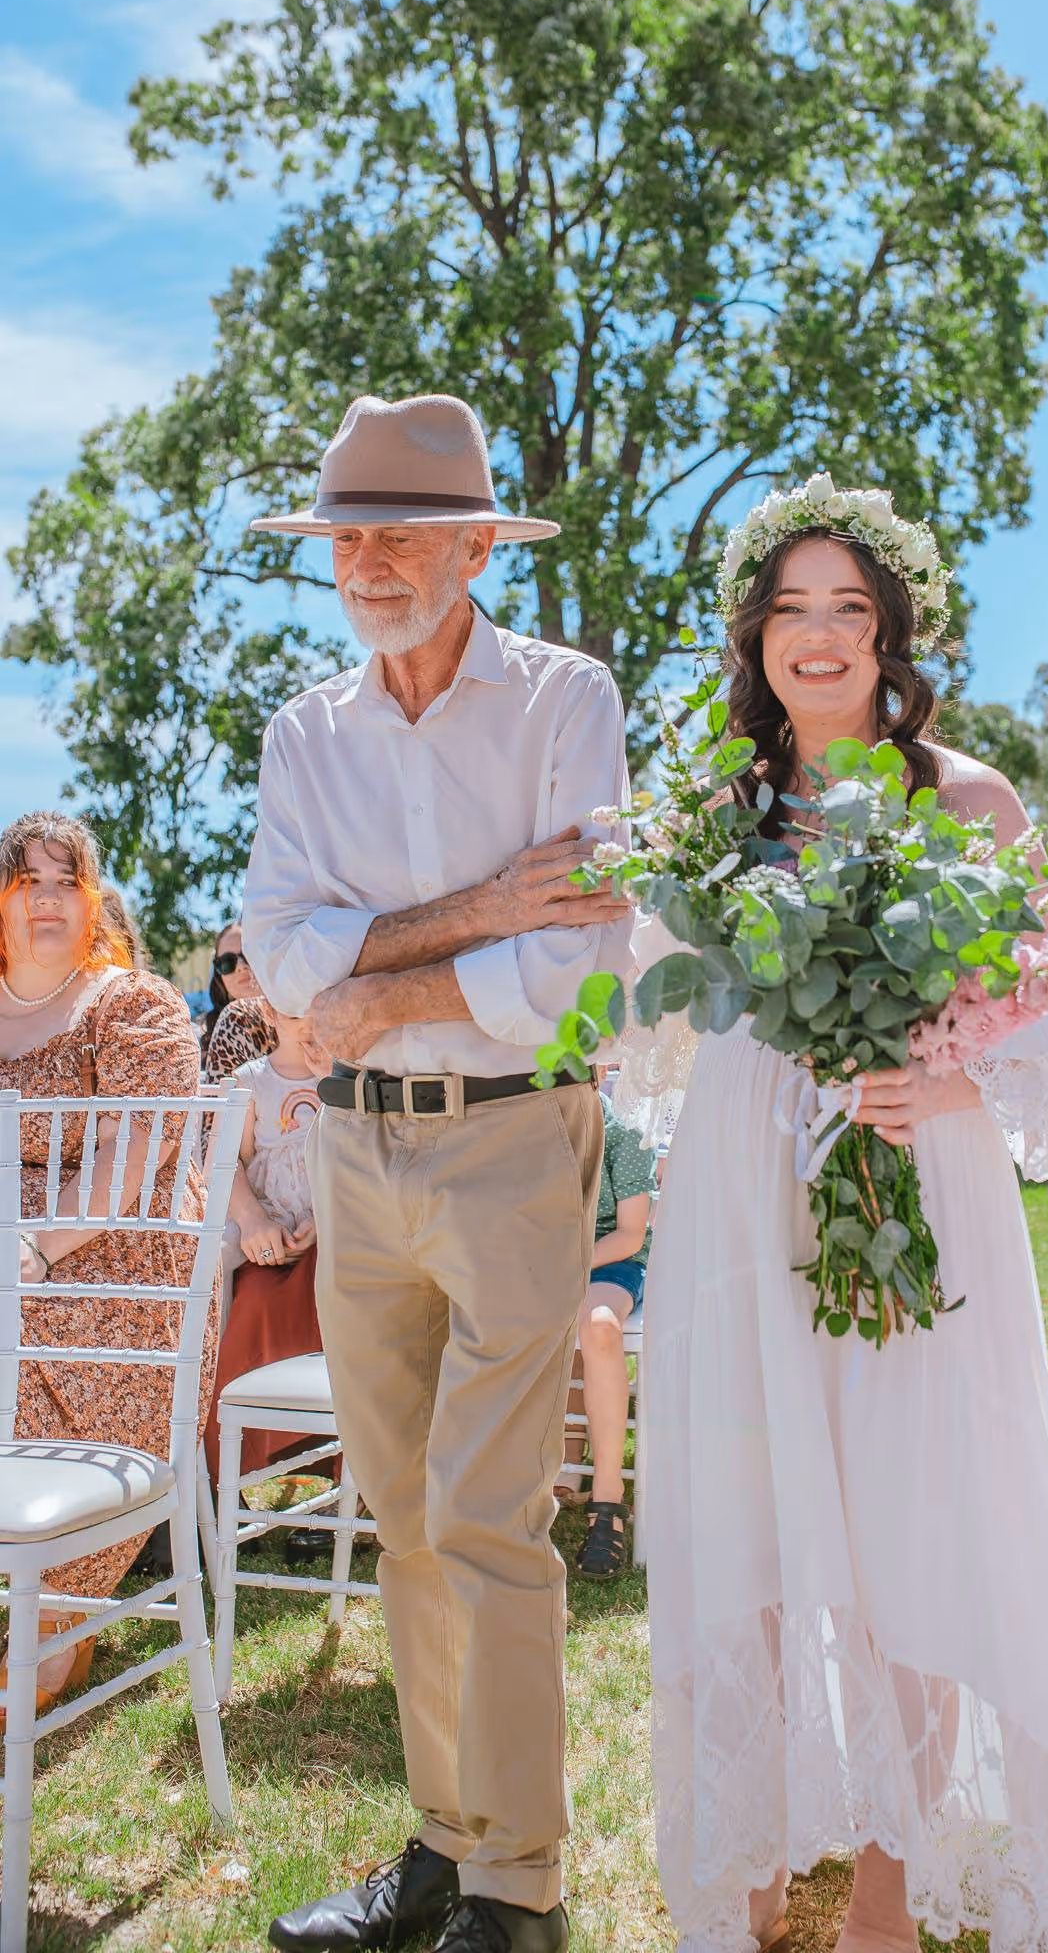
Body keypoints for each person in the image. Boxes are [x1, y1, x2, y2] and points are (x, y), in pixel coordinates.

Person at [618, 488, 1048, 1953]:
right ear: (750, 636)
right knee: (746, 1526)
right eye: (790, 611)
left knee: (911, 1529)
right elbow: (642, 1029)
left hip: (910, 1196)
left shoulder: (972, 800)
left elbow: (1044, 1033)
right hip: (741, 1201)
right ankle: (747, 1862)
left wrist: (936, 1090)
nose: (818, 639)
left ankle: (886, 1893)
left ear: (891, 635)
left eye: (849, 611)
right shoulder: (705, 812)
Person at [242, 394, 633, 1953]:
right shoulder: (303, 732)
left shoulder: (563, 699)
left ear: (480, 543)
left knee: (483, 1517)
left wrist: (381, 975)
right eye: (348, 536)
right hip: (355, 1148)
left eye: (403, 531)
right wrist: (469, 914)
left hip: (512, 1141)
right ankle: (441, 1843)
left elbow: (579, 954)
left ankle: (518, 1892)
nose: (371, 562)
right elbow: (280, 958)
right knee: (398, 1515)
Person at [0, 811, 214, 1714]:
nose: (46, 900)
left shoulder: (133, 1006)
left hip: (121, 1283)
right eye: (26, 882)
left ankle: (52, 1622)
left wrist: (31, 1248)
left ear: (93, 904)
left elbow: (135, 1153)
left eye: (66, 882)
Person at [203, 998, 331, 1488]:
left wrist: (323, 1221)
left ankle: (327, 1466)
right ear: (271, 1015)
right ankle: (247, 1473)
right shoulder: (250, 1081)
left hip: (333, 1231)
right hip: (267, 1235)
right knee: (256, 1306)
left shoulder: (348, 1077)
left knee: (330, 1302)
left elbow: (361, 1159)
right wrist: (255, 1221)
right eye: (298, 1012)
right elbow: (224, 1161)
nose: (311, 1025)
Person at [556, 1084, 655, 1579]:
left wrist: (565, 1266)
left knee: (598, 1327)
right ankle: (539, 1475)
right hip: (540, 1264)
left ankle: (608, 1500)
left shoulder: (623, 1135)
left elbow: (631, 1233)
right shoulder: (521, 1131)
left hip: (611, 1261)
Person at [202, 920, 276, 1079]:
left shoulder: (299, 1020)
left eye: (248, 955)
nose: (241, 966)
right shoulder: (199, 1041)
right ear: (218, 975)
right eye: (227, 962)